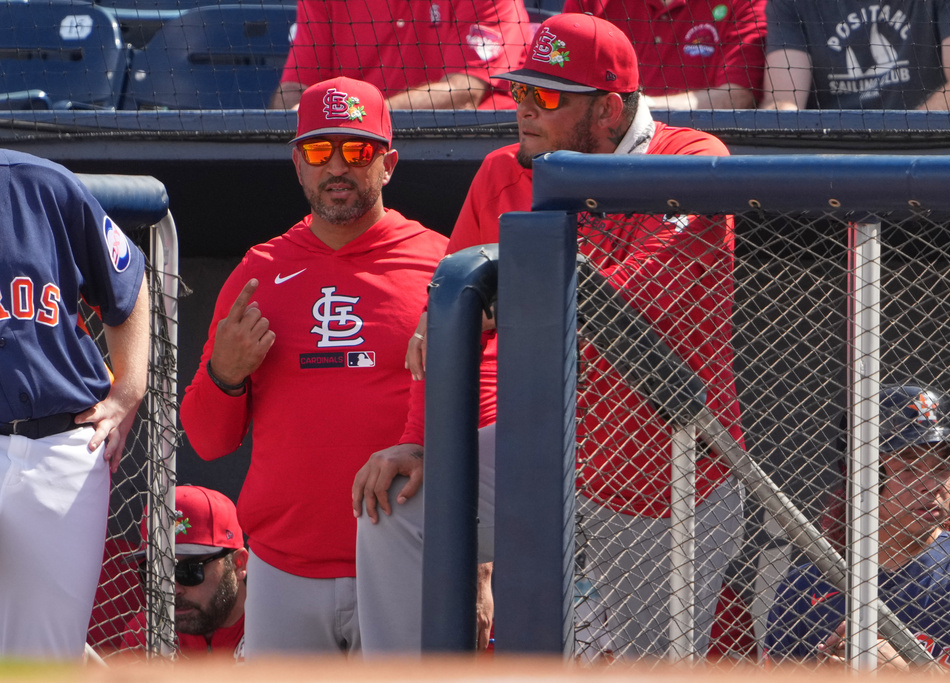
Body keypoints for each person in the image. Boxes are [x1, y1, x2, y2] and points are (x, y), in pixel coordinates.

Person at [353, 13, 746, 658]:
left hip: (666, 484)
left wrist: (505, 300)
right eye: (521, 91)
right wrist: (420, 443)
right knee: (399, 510)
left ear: (610, 110)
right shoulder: (502, 172)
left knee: (651, 667)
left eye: (548, 96)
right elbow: (448, 319)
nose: (523, 109)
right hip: (544, 452)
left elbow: (626, 302)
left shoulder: (692, 159)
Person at [179, 76, 448, 656]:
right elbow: (205, 440)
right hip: (284, 569)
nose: (337, 167)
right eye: (319, 151)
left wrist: (480, 567)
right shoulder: (259, 272)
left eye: (356, 150)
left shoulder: (442, 263)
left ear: (388, 163)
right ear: (298, 164)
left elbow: (484, 413)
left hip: (408, 560)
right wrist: (225, 374)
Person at [0, 150, 150, 659]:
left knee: (44, 658)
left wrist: (128, 389)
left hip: (63, 446)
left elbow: (126, 280)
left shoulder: (43, 185)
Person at [764, 384, 950, 668]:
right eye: (909, 469)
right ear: (866, 478)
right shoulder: (806, 585)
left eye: (942, 467)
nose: (932, 487)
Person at [269, 0, 532, 111]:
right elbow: (295, 87)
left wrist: (361, 115)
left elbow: (465, 91)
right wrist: (299, 116)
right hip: (354, 148)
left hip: (458, 148)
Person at [759, 0, 950, 111]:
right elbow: (783, 101)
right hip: (831, 167)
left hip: (928, 164)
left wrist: (892, 145)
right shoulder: (787, 3)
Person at [563, 0, 768, 110]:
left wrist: (639, 107)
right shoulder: (591, 2)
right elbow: (563, 85)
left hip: (692, 152)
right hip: (601, 148)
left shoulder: (744, 3)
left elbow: (738, 96)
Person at [120, 485, 248, 661]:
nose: (173, 589)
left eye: (189, 570)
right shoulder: (147, 634)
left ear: (238, 564)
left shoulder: (280, 629)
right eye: (158, 573)